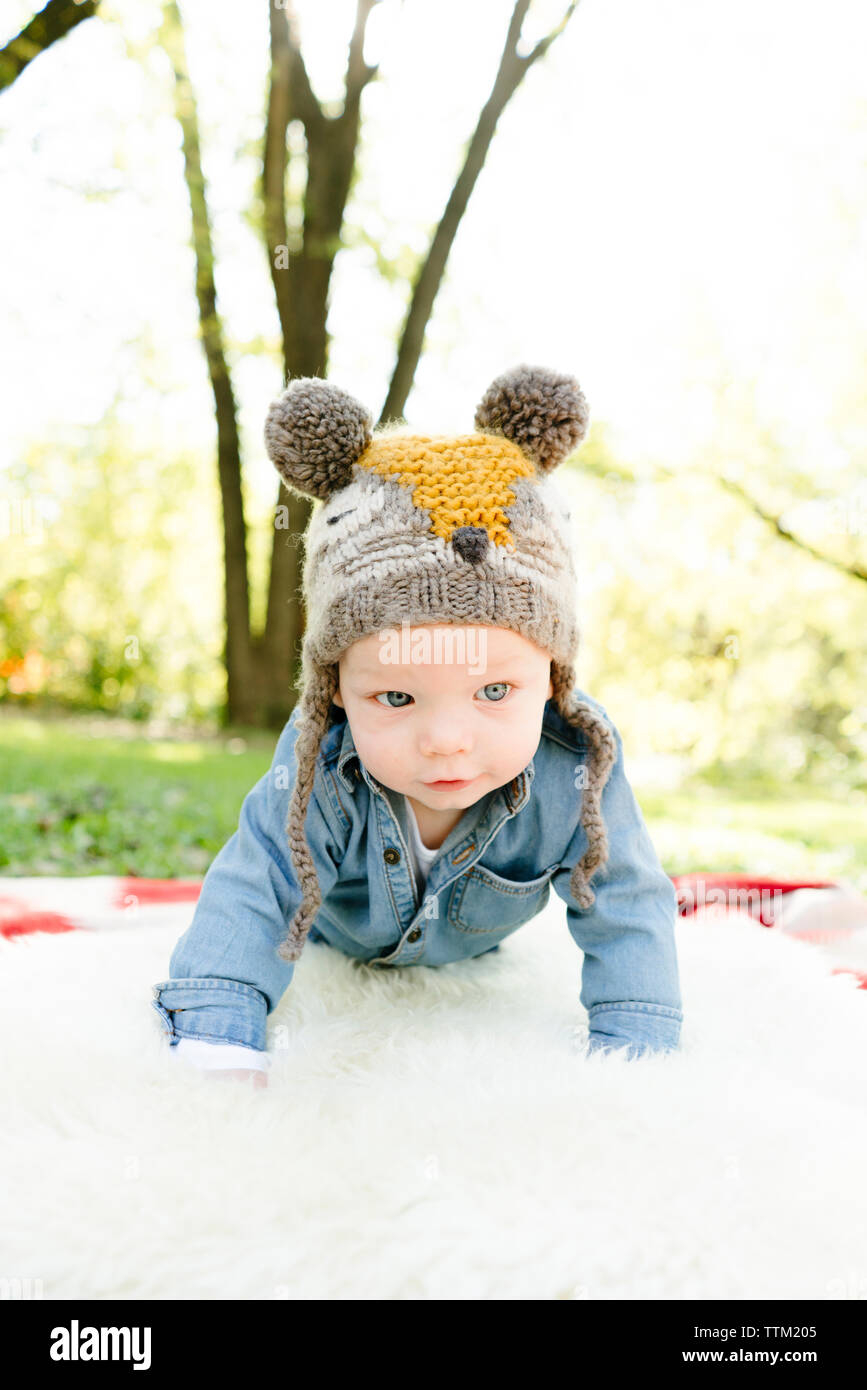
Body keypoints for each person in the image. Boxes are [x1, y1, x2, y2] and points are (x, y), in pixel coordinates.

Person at [151, 365, 684, 1088]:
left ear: (552, 680)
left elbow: (626, 899)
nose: (445, 738)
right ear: (337, 691)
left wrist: (636, 1043)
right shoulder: (322, 763)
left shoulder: (575, 768)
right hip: (338, 940)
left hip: (471, 950)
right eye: (396, 699)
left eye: (493, 690)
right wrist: (220, 1030)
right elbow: (257, 884)